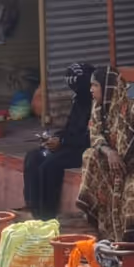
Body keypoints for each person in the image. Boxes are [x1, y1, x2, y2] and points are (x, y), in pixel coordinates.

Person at [75, 66, 134, 242]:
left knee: (132, 190)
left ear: (108, 87)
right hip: (118, 165)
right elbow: (96, 137)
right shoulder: (98, 111)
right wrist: (110, 152)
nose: (91, 90)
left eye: (95, 85)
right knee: (89, 155)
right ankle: (100, 228)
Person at [23, 62, 94, 220]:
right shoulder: (79, 101)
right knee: (34, 157)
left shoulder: (96, 104)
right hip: (69, 144)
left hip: (85, 149)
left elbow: (89, 137)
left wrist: (62, 141)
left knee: (49, 165)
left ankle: (47, 215)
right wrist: (56, 138)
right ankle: (33, 209)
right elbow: (71, 128)